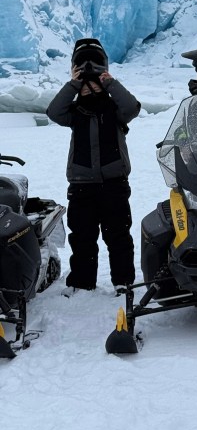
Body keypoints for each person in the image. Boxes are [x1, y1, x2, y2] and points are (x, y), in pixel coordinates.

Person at [46, 38, 141, 291]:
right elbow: (53, 112)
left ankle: (123, 283)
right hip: (82, 185)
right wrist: (74, 83)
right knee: (82, 237)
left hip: (114, 184)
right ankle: (81, 284)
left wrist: (109, 81)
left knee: (118, 236)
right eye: (85, 89)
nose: (90, 91)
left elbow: (132, 107)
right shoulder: (74, 113)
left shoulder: (116, 112)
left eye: (94, 86)